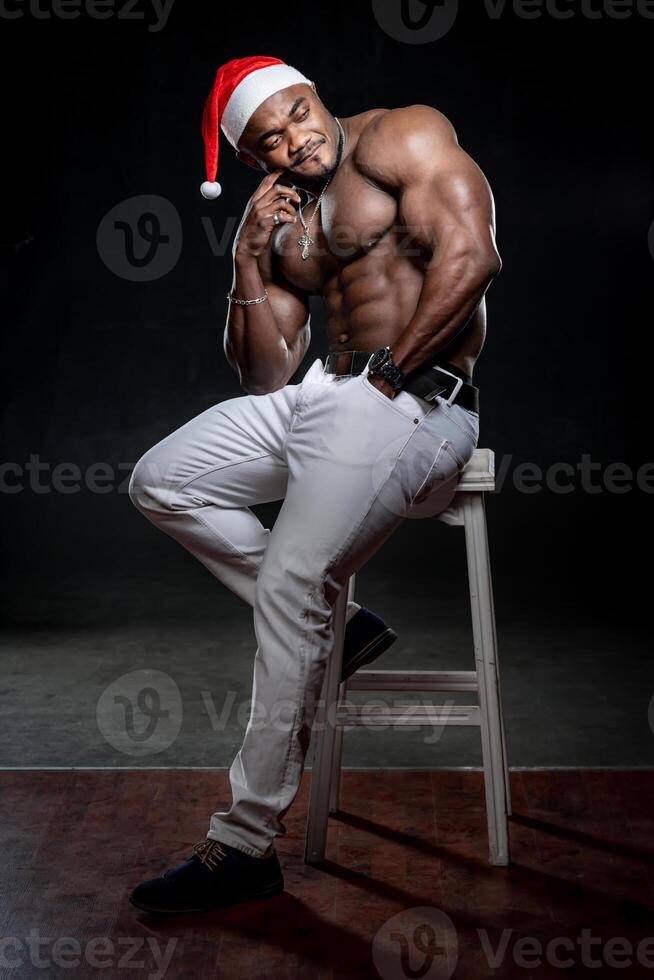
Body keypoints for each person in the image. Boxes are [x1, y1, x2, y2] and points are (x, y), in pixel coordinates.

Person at [128, 55, 501, 914]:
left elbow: (474, 256)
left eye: (299, 113)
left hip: (418, 400)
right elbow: (263, 378)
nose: (296, 140)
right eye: (271, 142)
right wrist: (248, 265)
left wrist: (391, 371)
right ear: (254, 159)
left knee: (295, 580)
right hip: (317, 396)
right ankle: (345, 630)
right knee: (163, 480)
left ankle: (243, 844)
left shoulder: (399, 134)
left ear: (317, 94)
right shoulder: (286, 221)